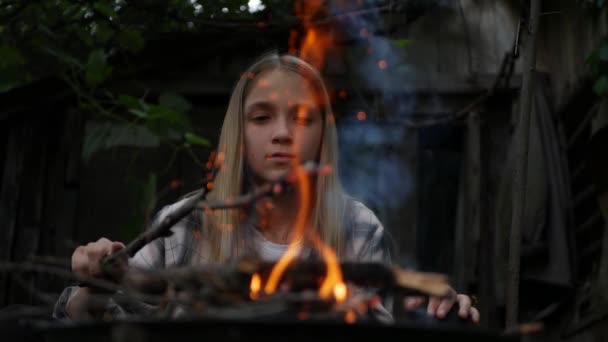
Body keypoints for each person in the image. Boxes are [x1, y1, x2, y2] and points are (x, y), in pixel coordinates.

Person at [53, 52, 479, 323]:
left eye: (301, 118)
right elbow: (99, 315)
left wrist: (440, 314)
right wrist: (98, 280)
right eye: (261, 118)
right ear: (240, 132)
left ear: (321, 134)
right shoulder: (188, 223)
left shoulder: (356, 226)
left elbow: (383, 325)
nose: (282, 134)